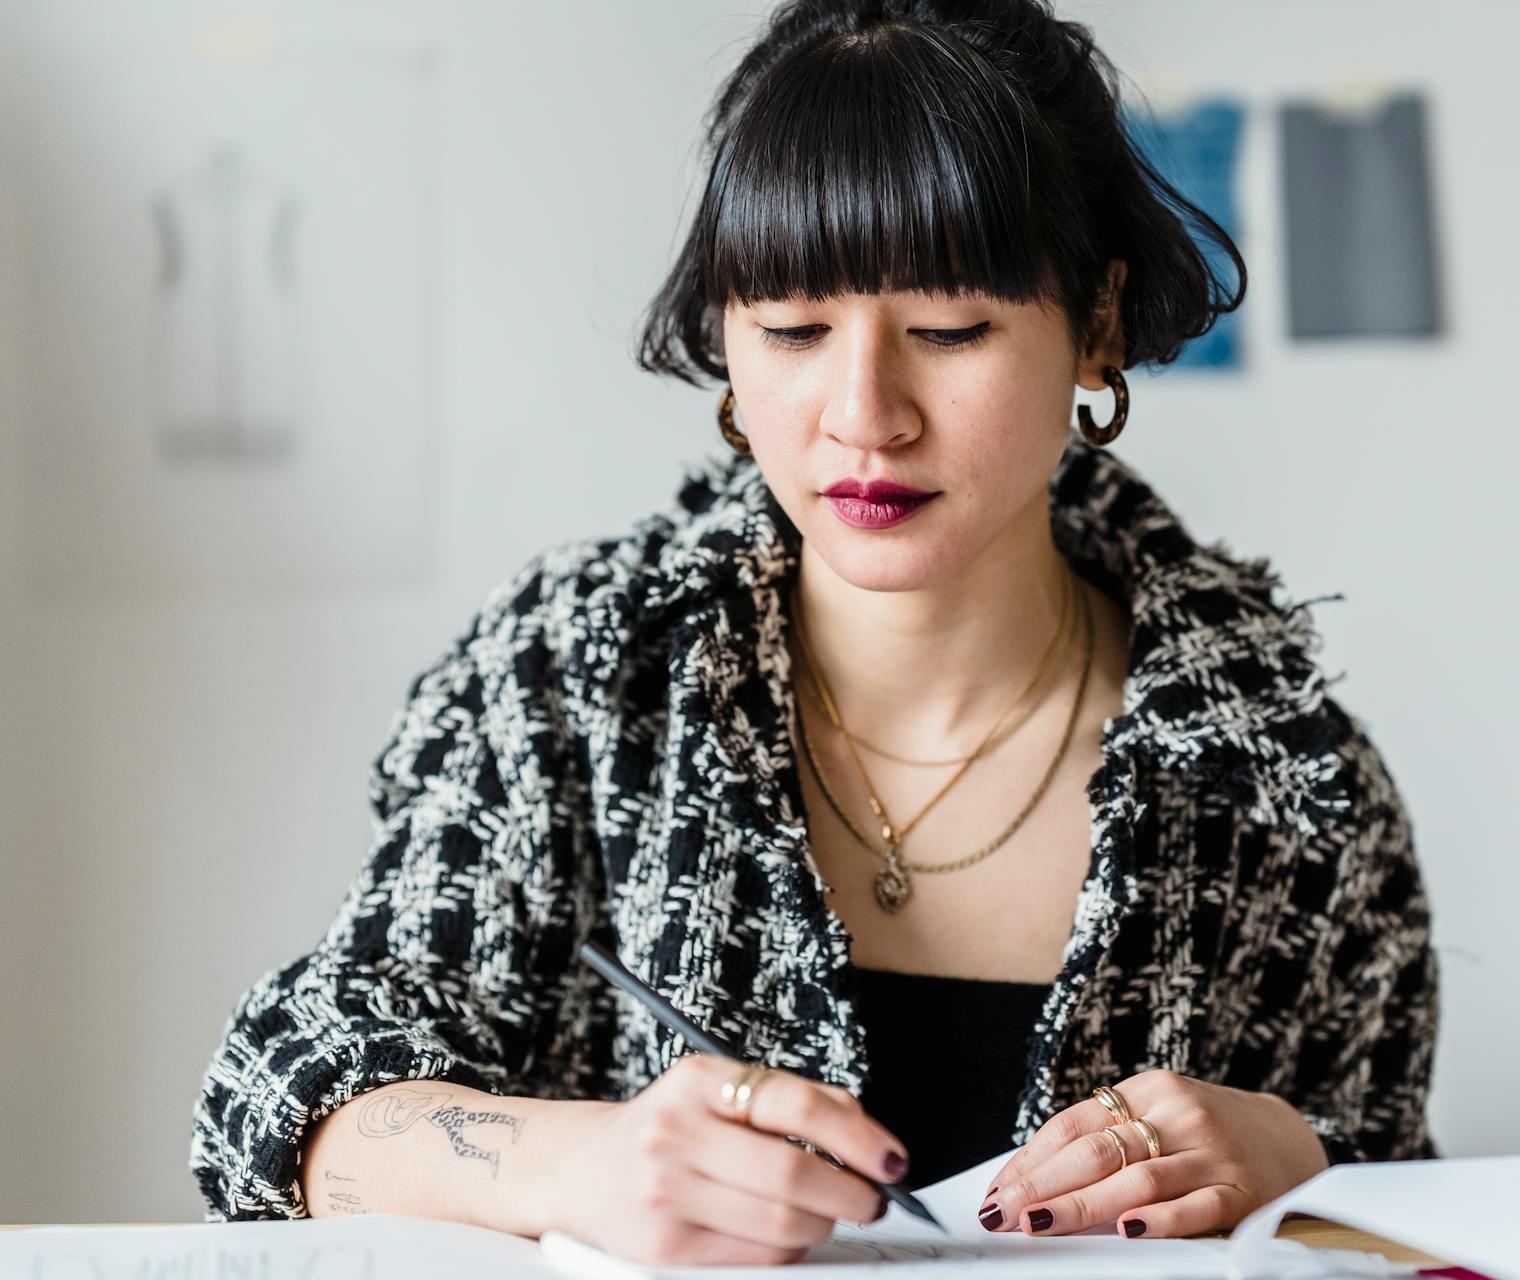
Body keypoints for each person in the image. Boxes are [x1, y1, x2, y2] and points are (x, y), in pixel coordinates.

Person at [190, 0, 1440, 1266]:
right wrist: (579, 1163)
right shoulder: (580, 675)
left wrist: (1309, 1164)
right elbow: (275, 1104)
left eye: (949, 330)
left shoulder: (1284, 771)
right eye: (791, 329)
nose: (864, 416)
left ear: (1099, 323)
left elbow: (1421, 1205)